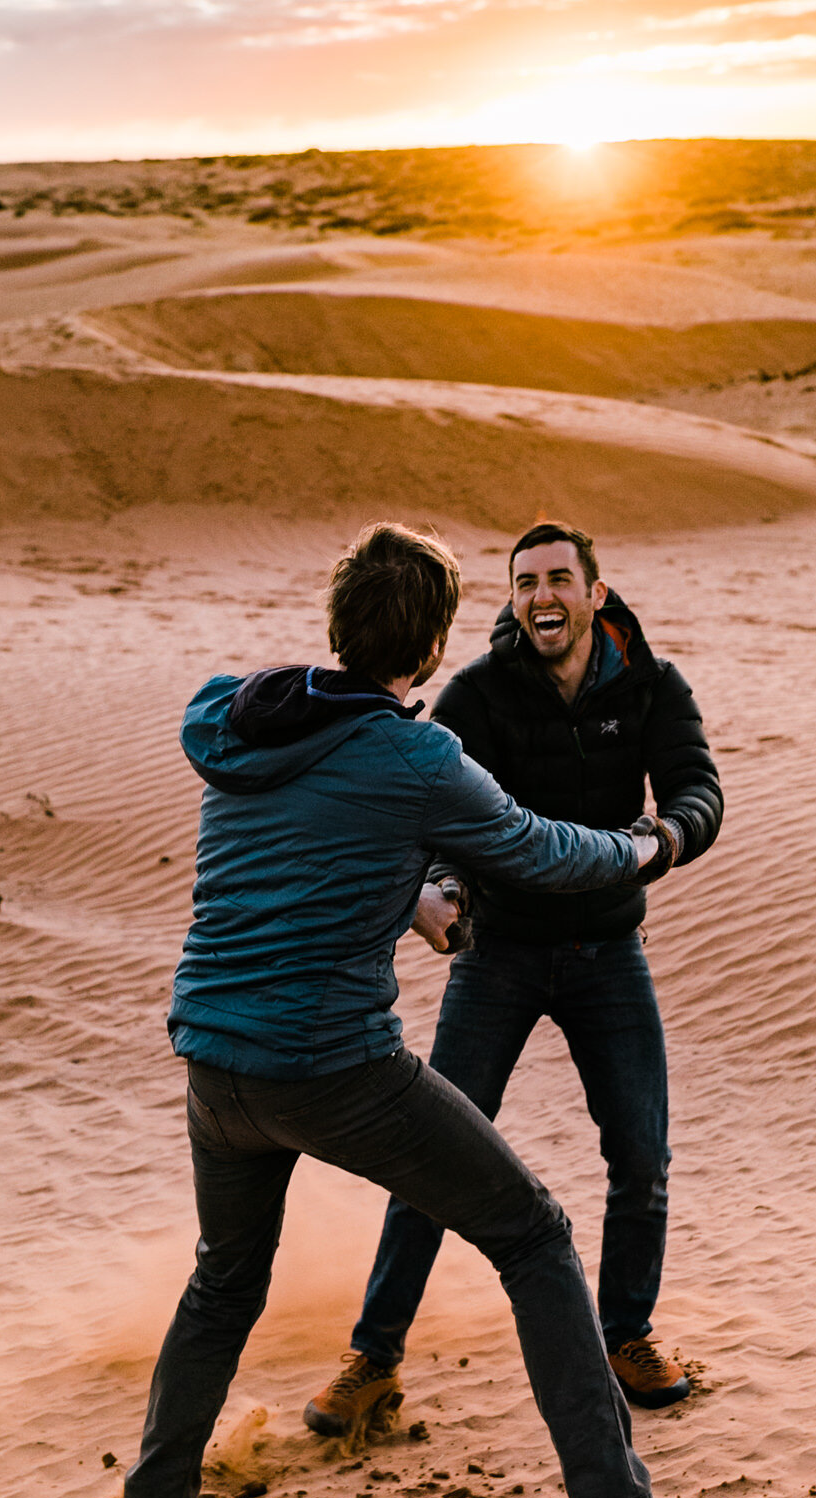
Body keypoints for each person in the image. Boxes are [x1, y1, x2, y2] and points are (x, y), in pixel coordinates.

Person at [117, 519, 736, 1498]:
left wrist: (408, 901)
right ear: (438, 641)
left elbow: (298, 846)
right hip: (330, 1067)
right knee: (535, 1235)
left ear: (336, 618)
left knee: (223, 1284)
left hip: (214, 1065)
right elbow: (540, 850)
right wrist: (641, 847)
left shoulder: (234, 712)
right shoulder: (411, 752)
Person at [307, 519, 721, 1440]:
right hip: (497, 956)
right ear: (511, 598)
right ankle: (372, 1357)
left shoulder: (652, 686)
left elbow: (699, 790)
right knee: (432, 1159)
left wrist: (663, 840)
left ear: (594, 594)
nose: (541, 597)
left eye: (558, 580)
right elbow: (424, 814)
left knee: (641, 1158)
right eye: (524, 582)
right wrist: (439, 891)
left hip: (609, 953)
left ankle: (627, 1335)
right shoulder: (478, 696)